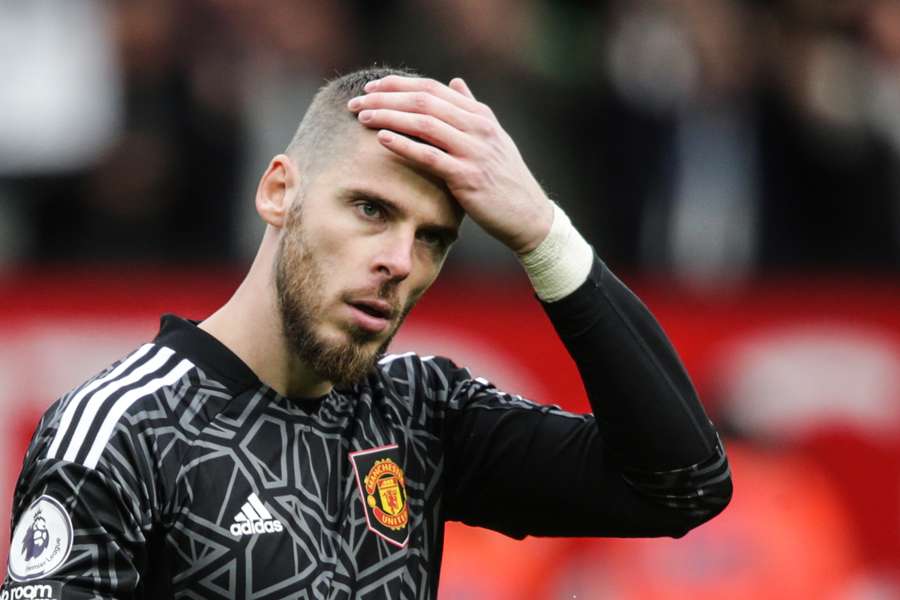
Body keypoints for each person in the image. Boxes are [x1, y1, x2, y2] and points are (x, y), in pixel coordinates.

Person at [0, 67, 732, 599]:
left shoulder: (421, 417)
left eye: (434, 240)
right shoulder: (125, 430)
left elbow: (683, 486)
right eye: (372, 210)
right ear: (279, 191)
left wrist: (542, 233)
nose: (399, 262)